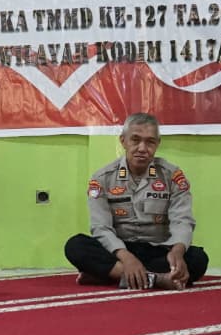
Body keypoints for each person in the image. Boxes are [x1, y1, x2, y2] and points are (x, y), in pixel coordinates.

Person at [64, 112, 209, 290]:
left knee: (198, 259)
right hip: (119, 251)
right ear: (123, 141)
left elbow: (182, 220)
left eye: (150, 142)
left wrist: (177, 252)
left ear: (158, 144)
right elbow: (101, 227)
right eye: (135, 140)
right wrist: (126, 257)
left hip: (158, 250)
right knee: (76, 246)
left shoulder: (172, 176)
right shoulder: (102, 178)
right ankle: (155, 279)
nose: (142, 148)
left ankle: (111, 274)